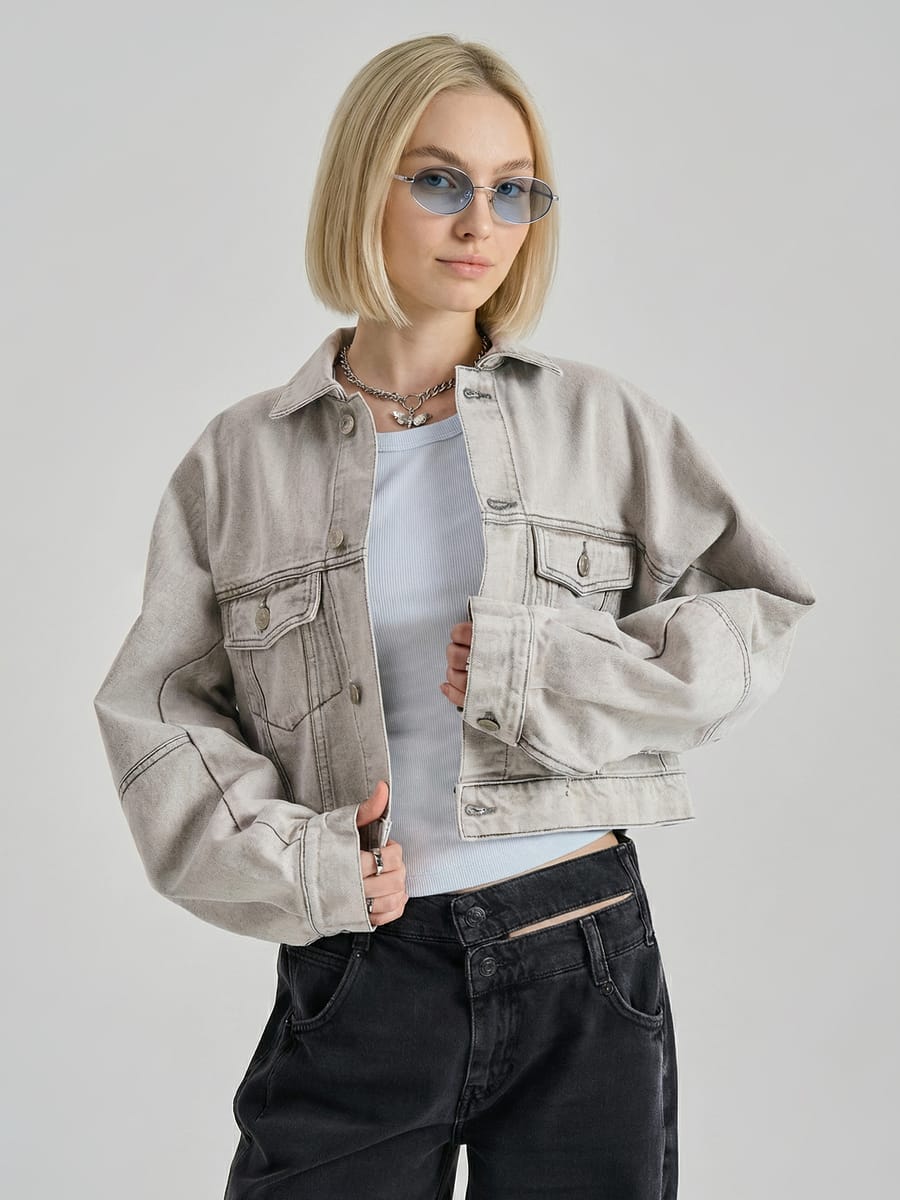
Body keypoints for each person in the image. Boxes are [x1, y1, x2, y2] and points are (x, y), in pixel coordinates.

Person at [92, 33, 816, 1200]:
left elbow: (756, 610)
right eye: (439, 180)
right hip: (361, 965)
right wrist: (301, 863)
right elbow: (159, 711)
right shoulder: (239, 461)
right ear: (362, 184)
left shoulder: (601, 424)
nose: (481, 221)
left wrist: (557, 670)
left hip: (582, 949)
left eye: (513, 190)